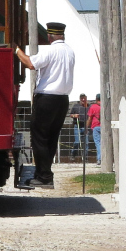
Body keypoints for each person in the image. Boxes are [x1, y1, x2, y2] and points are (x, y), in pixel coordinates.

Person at [15, 21, 76, 188]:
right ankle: (44, 172)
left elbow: (30, 63)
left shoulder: (51, 51)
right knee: (51, 138)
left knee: (39, 137)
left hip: (47, 98)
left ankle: (44, 176)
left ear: (49, 36)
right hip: (63, 99)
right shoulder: (70, 51)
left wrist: (16, 49)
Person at [68, 93, 89, 159]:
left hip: (85, 126)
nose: (83, 99)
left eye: (84, 98)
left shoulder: (89, 107)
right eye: (81, 98)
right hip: (77, 126)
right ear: (80, 99)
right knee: (77, 142)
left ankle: (85, 157)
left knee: (86, 142)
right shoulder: (76, 106)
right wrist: (74, 115)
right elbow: (71, 115)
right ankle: (73, 154)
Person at [88, 94, 102, 162]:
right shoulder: (105, 106)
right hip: (104, 127)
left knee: (98, 143)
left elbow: (90, 118)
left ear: (96, 99)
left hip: (96, 126)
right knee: (104, 143)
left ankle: (99, 159)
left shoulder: (93, 107)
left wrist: (87, 126)